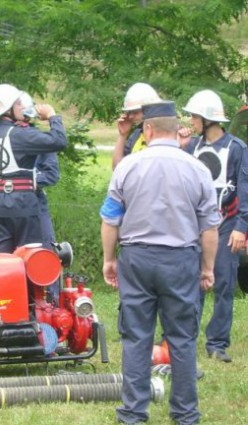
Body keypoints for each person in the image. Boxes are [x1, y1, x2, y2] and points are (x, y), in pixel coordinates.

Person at [101, 101, 220, 425]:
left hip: (137, 259)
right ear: (174, 128)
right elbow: (210, 228)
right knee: (181, 338)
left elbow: (111, 219)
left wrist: (109, 259)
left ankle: (133, 413)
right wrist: (207, 268)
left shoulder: (128, 166)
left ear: (149, 130)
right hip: (180, 260)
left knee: (137, 336)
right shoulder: (197, 169)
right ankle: (185, 414)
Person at [181, 89, 248, 363]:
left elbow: (245, 188)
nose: (192, 121)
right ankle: (186, 336)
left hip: (226, 224)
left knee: (223, 283)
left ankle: (217, 343)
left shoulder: (236, 149)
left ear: (207, 119)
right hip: (195, 226)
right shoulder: (192, 147)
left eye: (195, 117)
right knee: (192, 284)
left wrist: (241, 227)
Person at [0, 84, 67, 253]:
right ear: (8, 109)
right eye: (18, 104)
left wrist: (2, 190)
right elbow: (59, 141)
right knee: (33, 260)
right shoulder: (20, 135)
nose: (22, 107)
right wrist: (52, 117)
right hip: (24, 204)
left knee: (0, 262)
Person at [17, 92, 62, 302]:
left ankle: (50, 304)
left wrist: (26, 179)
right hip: (9, 206)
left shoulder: (40, 140)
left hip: (35, 203)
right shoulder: (3, 139)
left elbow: (52, 174)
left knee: (45, 255)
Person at [111, 82, 162, 169]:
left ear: (150, 109)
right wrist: (123, 135)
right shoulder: (137, 135)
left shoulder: (171, 134)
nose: (130, 116)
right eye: (129, 112)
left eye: (135, 112)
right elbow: (118, 169)